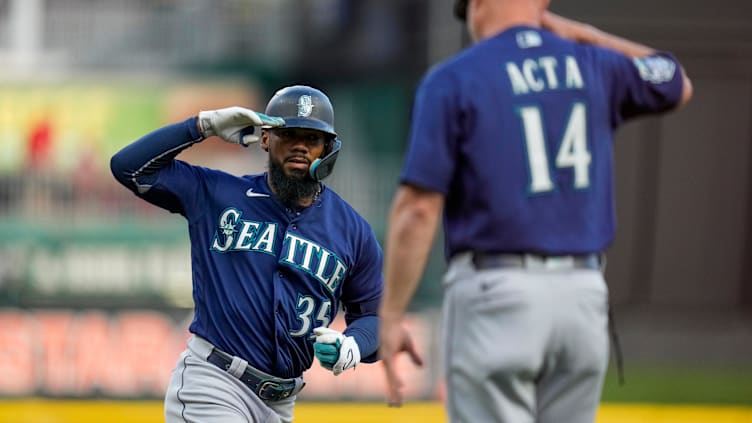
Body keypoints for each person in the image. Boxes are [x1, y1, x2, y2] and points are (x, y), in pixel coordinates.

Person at [378, 1, 693, 422]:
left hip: (497, 293)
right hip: (582, 296)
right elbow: (676, 81)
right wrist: (583, 35)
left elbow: (418, 208)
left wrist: (393, 312)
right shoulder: (593, 64)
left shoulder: (455, 78)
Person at [111, 85, 387, 423]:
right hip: (214, 383)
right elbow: (129, 167)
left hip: (281, 404)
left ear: (328, 149)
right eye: (289, 134)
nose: (300, 145)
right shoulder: (218, 195)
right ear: (266, 138)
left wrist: (354, 344)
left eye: (312, 138)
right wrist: (202, 127)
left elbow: (379, 318)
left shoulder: (352, 231)